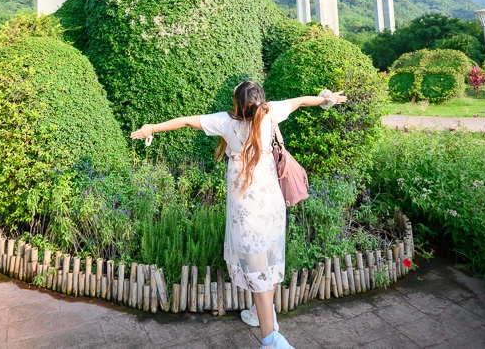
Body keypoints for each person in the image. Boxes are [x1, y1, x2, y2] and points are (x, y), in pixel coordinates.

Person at [131, 81, 347, 349]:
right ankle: (261, 314)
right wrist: (327, 98)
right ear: (260, 100)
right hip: (270, 200)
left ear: (237, 103)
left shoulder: (225, 122)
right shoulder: (271, 113)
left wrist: (151, 128)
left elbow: (186, 122)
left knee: (256, 264)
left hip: (245, 205)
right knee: (267, 255)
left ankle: (271, 340)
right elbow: (301, 100)